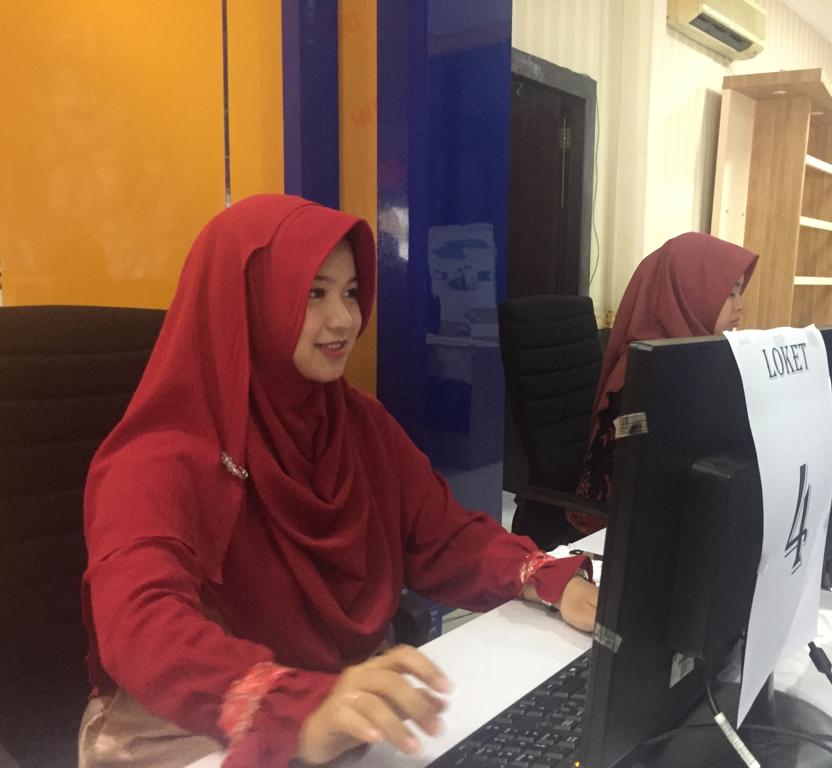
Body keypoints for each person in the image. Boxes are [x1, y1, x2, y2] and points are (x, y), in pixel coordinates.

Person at [79, 195, 597, 768]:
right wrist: (288, 706)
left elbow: (442, 536)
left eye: (350, 292)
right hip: (190, 728)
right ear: (247, 301)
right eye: (313, 293)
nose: (344, 319)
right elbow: (140, 618)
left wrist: (544, 579)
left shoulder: (355, 423)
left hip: (340, 707)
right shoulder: (159, 456)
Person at [570, 233, 758, 534]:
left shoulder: (699, 354)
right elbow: (629, 442)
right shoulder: (638, 371)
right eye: (730, 293)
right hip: (616, 525)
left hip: (677, 508)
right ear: (689, 293)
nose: (739, 307)